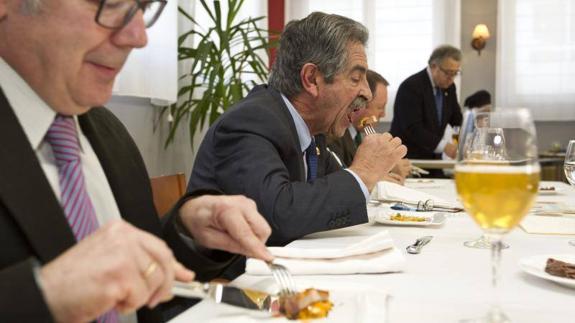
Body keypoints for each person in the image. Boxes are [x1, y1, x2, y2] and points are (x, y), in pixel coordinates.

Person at [0, 1, 273, 322]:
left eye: (142, 6)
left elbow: (136, 281)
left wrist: (188, 231)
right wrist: (45, 293)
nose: (138, 36)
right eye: (111, 4)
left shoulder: (108, 132)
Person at [188, 12, 407, 249]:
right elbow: (275, 216)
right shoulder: (251, 122)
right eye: (356, 78)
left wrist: (369, 174)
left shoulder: (314, 131)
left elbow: (325, 195)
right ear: (311, 79)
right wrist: (363, 173)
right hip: (243, 278)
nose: (367, 92)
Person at [327, 69, 411, 183]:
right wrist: (379, 175)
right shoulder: (334, 135)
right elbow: (338, 178)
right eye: (380, 107)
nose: (383, 114)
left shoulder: (356, 135)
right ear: (362, 103)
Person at [390, 45, 463, 166]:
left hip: (433, 160)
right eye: (448, 73)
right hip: (408, 160)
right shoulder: (411, 87)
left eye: (456, 73)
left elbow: (456, 120)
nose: (452, 79)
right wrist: (445, 146)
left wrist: (466, 137)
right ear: (434, 66)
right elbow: (413, 128)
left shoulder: (449, 87)